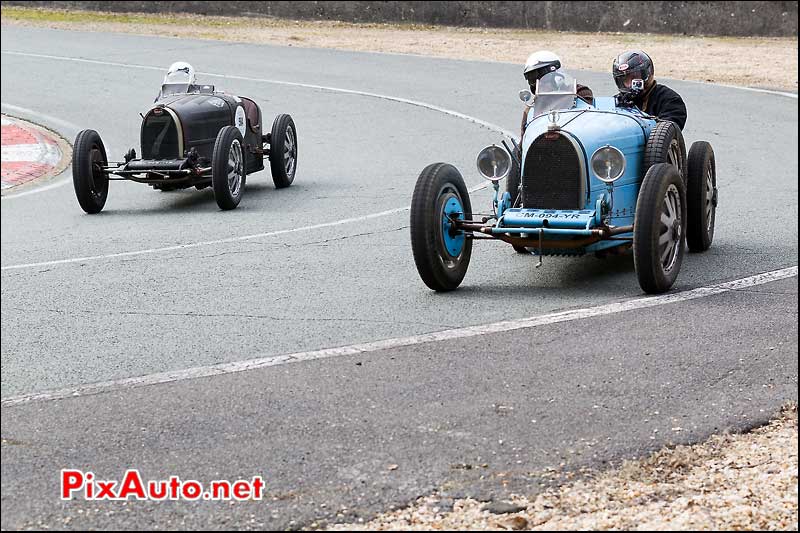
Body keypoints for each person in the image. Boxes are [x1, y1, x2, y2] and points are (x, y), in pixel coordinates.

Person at [520, 51, 593, 136]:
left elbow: (588, 125)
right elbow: (524, 141)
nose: (539, 83)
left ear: (557, 75)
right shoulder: (531, 109)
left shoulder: (580, 92)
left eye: (544, 78)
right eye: (533, 79)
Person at [612, 50, 687, 130]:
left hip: (654, 141)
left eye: (635, 77)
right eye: (626, 79)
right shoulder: (616, 102)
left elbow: (669, 129)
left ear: (647, 74)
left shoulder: (669, 99)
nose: (631, 83)